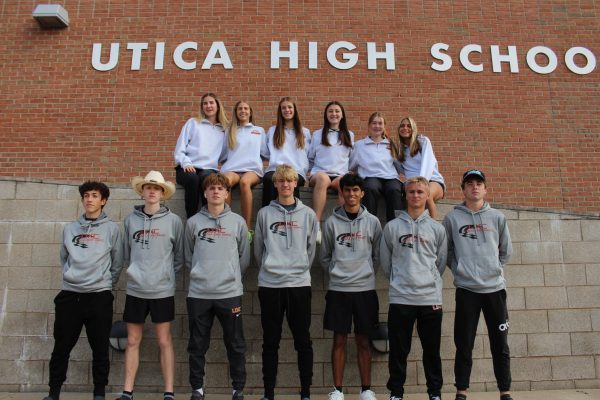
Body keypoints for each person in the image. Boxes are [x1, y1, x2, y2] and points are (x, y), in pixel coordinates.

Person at [43, 181, 123, 400]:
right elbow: (64, 258)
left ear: (103, 201)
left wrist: (105, 284)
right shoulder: (70, 228)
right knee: (61, 348)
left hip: (99, 296)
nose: (89, 199)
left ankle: (99, 394)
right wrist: (73, 278)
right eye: (86, 195)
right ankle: (53, 393)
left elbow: (117, 263)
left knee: (99, 349)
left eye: (95, 195)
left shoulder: (112, 229)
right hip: (70, 296)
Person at [442, 170, 513, 400]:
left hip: (495, 290)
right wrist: (462, 269)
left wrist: (491, 268)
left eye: (479, 184)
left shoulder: (498, 217)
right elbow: (447, 252)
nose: (474, 187)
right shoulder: (452, 219)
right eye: (469, 184)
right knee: (464, 344)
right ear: (463, 189)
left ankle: (505, 391)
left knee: (500, 345)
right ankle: (461, 391)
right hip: (467, 290)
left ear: (485, 189)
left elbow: (505, 251)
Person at [254, 164, 319, 400]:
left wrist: (298, 267)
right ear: (275, 185)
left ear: (295, 184)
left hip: (299, 285)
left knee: (303, 340)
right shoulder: (264, 214)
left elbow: (311, 249)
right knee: (270, 342)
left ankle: (305, 393)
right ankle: (268, 393)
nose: (285, 185)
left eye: (289, 181)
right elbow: (258, 250)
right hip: (271, 285)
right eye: (281, 181)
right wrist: (273, 267)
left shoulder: (309, 215)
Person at [380, 176, 447, 400]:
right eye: (411, 192)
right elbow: (386, 262)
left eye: (420, 192)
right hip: (401, 298)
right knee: (399, 351)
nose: (416, 195)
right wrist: (401, 279)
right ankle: (396, 393)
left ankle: (434, 393)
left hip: (430, 298)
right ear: (405, 195)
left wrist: (426, 279)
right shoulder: (392, 227)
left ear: (427, 195)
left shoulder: (437, 229)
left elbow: (441, 262)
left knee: (432, 351)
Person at [185, 172, 251, 400]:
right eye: (211, 188)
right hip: (199, 294)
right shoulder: (193, 222)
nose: (215, 191)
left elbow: (244, 257)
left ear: (226, 193)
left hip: (229, 293)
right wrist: (200, 273)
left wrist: (230, 275)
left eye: (220, 188)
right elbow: (188, 256)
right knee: (197, 345)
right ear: (205, 193)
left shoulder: (238, 222)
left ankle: (238, 389)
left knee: (235, 344)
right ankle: (197, 389)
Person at [119, 171, 184, 400]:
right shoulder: (130, 221)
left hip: (162, 290)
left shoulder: (174, 221)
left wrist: (163, 276)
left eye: (156, 188)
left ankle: (169, 392)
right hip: (136, 289)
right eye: (148, 187)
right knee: (133, 340)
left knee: (164, 340)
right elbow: (125, 254)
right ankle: (127, 391)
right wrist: (136, 273)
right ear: (142, 191)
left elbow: (179, 257)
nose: (152, 191)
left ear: (163, 193)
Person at [320, 173, 382, 400]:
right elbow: (325, 257)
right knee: (339, 339)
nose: (351, 194)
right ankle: (337, 390)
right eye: (347, 190)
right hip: (339, 290)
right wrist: (339, 274)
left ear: (362, 193)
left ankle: (366, 389)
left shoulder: (373, 222)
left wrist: (364, 274)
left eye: (356, 190)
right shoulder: (331, 222)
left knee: (364, 340)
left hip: (365, 290)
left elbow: (378, 256)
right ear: (342, 193)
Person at [174, 92, 229, 218]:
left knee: (208, 181)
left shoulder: (223, 129)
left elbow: (224, 155)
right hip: (187, 167)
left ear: (218, 106)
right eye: (205, 103)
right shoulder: (193, 123)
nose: (208, 106)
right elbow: (180, 148)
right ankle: (192, 220)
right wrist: (186, 162)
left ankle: (209, 218)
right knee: (193, 179)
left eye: (211, 103)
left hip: (209, 169)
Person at [221, 100, 266, 242]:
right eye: (240, 108)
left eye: (246, 108)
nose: (243, 111)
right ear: (236, 112)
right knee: (225, 182)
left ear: (250, 112)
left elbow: (265, 153)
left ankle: (247, 228)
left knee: (245, 183)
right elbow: (223, 154)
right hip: (233, 168)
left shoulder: (259, 131)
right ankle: (226, 224)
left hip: (252, 170)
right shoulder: (229, 131)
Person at [349, 112, 403, 222]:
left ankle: (397, 224)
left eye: (380, 123)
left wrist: (397, 154)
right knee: (370, 187)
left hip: (390, 178)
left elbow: (400, 168)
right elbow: (351, 166)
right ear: (369, 125)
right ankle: (368, 223)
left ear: (384, 126)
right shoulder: (360, 145)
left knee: (395, 189)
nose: (377, 126)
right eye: (374, 123)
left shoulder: (391, 145)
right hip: (370, 177)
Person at [308, 101, 354, 223]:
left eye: (337, 111)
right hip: (319, 174)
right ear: (326, 115)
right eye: (330, 111)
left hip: (339, 174)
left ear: (342, 115)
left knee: (343, 183)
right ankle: (316, 224)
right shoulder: (317, 134)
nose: (334, 114)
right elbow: (311, 157)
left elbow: (351, 158)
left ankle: (342, 223)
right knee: (323, 179)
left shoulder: (349, 135)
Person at [261, 97, 311, 207]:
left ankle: (293, 216)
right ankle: (267, 215)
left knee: (291, 181)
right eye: (283, 108)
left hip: (296, 170)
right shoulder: (273, 130)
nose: (287, 110)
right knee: (269, 179)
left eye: (289, 107)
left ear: (295, 109)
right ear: (280, 111)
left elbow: (308, 154)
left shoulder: (304, 132)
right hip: (276, 169)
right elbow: (266, 152)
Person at [395, 117, 445, 219]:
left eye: (409, 126)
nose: (405, 128)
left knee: (426, 195)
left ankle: (434, 228)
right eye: (402, 125)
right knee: (407, 198)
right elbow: (402, 170)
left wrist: (421, 184)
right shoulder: (400, 149)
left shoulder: (423, 141)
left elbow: (428, 163)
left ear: (413, 129)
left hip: (432, 180)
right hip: (412, 182)